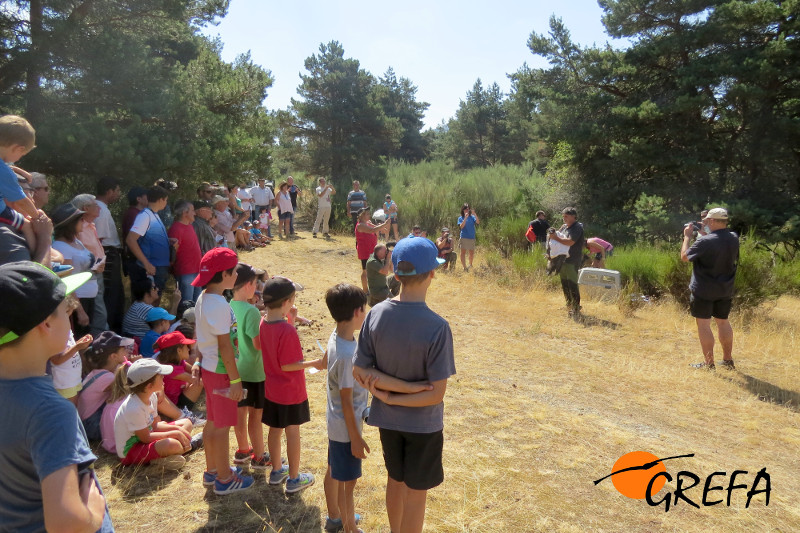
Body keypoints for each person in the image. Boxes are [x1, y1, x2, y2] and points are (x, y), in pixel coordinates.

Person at [0, 261, 114, 532]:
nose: (70, 318)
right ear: (46, 325)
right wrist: (93, 515)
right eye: (67, 311)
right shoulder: (50, 410)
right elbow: (65, 521)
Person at [353, 236, 455, 533]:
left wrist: (387, 395)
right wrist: (404, 393)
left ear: (395, 275)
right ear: (433, 273)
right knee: (416, 492)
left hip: (387, 421)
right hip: (423, 426)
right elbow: (435, 395)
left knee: (394, 480)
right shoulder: (438, 327)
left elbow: (360, 370)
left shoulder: (376, 313)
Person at [193, 247, 255, 494]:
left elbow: (202, 337)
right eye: (235, 271)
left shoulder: (204, 298)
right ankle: (225, 478)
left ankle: (213, 470)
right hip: (221, 371)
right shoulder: (218, 304)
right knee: (221, 427)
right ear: (226, 274)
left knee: (213, 422)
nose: (237, 276)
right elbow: (225, 346)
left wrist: (198, 360)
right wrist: (235, 380)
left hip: (210, 367)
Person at [259, 276, 326, 493]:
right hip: (290, 392)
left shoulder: (264, 321)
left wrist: (291, 319)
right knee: (292, 432)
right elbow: (288, 365)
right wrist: (317, 363)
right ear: (287, 302)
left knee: (275, 429)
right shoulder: (287, 331)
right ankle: (295, 478)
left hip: (272, 390)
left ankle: (277, 470)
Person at [323, 283, 369, 533]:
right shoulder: (347, 354)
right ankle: (349, 527)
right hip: (346, 429)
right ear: (356, 312)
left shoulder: (336, 336)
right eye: (364, 308)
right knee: (348, 483)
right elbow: (348, 402)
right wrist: (355, 439)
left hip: (335, 424)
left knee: (335, 471)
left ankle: (335, 516)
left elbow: (323, 362)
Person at [681, 208, 739, 370]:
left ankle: (709, 363)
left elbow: (685, 257)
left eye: (707, 221)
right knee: (723, 322)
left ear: (713, 221)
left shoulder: (704, 242)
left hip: (704, 290)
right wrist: (704, 233)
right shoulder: (733, 238)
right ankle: (728, 360)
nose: (705, 223)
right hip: (725, 289)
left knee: (704, 325)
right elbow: (717, 242)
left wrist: (686, 237)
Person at [113, 358, 193, 469]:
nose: (163, 377)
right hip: (132, 450)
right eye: (160, 376)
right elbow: (145, 438)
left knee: (187, 423)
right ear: (149, 386)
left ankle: (169, 453)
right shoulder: (134, 408)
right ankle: (158, 460)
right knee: (172, 444)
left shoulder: (152, 396)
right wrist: (174, 434)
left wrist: (177, 431)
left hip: (147, 437)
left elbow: (154, 425)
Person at [230, 263, 270, 469]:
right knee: (256, 415)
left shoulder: (228, 306)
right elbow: (257, 344)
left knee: (240, 413)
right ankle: (260, 456)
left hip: (235, 371)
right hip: (254, 373)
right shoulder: (252, 312)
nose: (257, 288)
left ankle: (243, 449)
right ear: (248, 285)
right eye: (255, 284)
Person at [51, 203, 99, 338]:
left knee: (87, 339)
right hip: (79, 302)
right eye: (80, 219)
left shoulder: (78, 242)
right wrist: (80, 311)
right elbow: (67, 280)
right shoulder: (61, 246)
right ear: (70, 223)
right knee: (80, 340)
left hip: (89, 298)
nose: (83, 222)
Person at [79, 331, 134, 440]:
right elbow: (133, 388)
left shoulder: (99, 372)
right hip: (91, 426)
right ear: (113, 356)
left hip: (86, 423)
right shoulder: (108, 379)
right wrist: (134, 366)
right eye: (124, 349)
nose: (127, 351)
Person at [73, 194, 108, 335]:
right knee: (99, 311)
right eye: (95, 205)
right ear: (85, 208)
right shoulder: (78, 228)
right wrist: (94, 267)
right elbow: (77, 255)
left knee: (99, 308)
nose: (99, 207)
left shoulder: (90, 225)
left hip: (97, 272)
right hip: (88, 275)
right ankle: (100, 340)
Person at [126, 186, 171, 293]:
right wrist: (146, 264)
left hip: (159, 267)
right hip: (152, 268)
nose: (166, 203)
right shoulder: (145, 216)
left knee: (156, 300)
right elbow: (130, 240)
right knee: (150, 302)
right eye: (166, 200)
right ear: (161, 199)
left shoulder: (154, 214)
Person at [95, 177, 125, 333]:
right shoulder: (100, 210)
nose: (119, 194)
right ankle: (110, 331)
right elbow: (98, 239)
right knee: (111, 295)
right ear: (109, 191)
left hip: (110, 254)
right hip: (107, 255)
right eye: (117, 190)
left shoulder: (102, 208)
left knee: (115, 294)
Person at [549, 207, 585, 316]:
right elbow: (556, 236)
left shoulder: (577, 227)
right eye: (563, 216)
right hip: (562, 260)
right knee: (565, 283)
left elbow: (570, 242)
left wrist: (555, 238)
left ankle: (576, 308)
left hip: (572, 260)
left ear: (574, 217)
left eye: (566, 216)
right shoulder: (564, 227)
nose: (564, 218)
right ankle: (569, 305)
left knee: (572, 284)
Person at [154, 331, 204, 409]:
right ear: (179, 351)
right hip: (174, 405)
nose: (188, 349)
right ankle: (184, 412)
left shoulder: (180, 362)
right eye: (186, 346)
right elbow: (197, 380)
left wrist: (197, 366)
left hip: (178, 395)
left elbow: (195, 371)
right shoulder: (171, 370)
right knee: (198, 383)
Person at [169, 200, 203, 302]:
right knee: (186, 305)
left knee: (197, 304)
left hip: (196, 270)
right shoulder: (176, 229)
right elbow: (172, 253)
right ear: (185, 213)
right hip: (185, 272)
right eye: (192, 210)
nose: (195, 213)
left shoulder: (189, 225)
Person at [355, 208, 391, 292]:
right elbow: (373, 230)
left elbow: (376, 228)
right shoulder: (360, 225)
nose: (369, 215)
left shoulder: (367, 223)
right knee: (365, 271)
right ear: (362, 215)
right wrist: (384, 224)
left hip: (371, 249)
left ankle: (373, 288)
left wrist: (383, 227)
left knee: (374, 269)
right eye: (367, 214)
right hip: (365, 251)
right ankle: (365, 291)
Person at [458, 203, 480, 271]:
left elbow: (478, 222)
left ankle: (470, 265)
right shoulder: (460, 218)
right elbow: (461, 226)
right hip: (464, 237)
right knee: (463, 252)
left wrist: (474, 214)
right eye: (465, 209)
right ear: (463, 210)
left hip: (471, 237)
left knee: (471, 253)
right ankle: (464, 267)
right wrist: (465, 218)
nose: (467, 210)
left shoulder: (472, 217)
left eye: (468, 209)